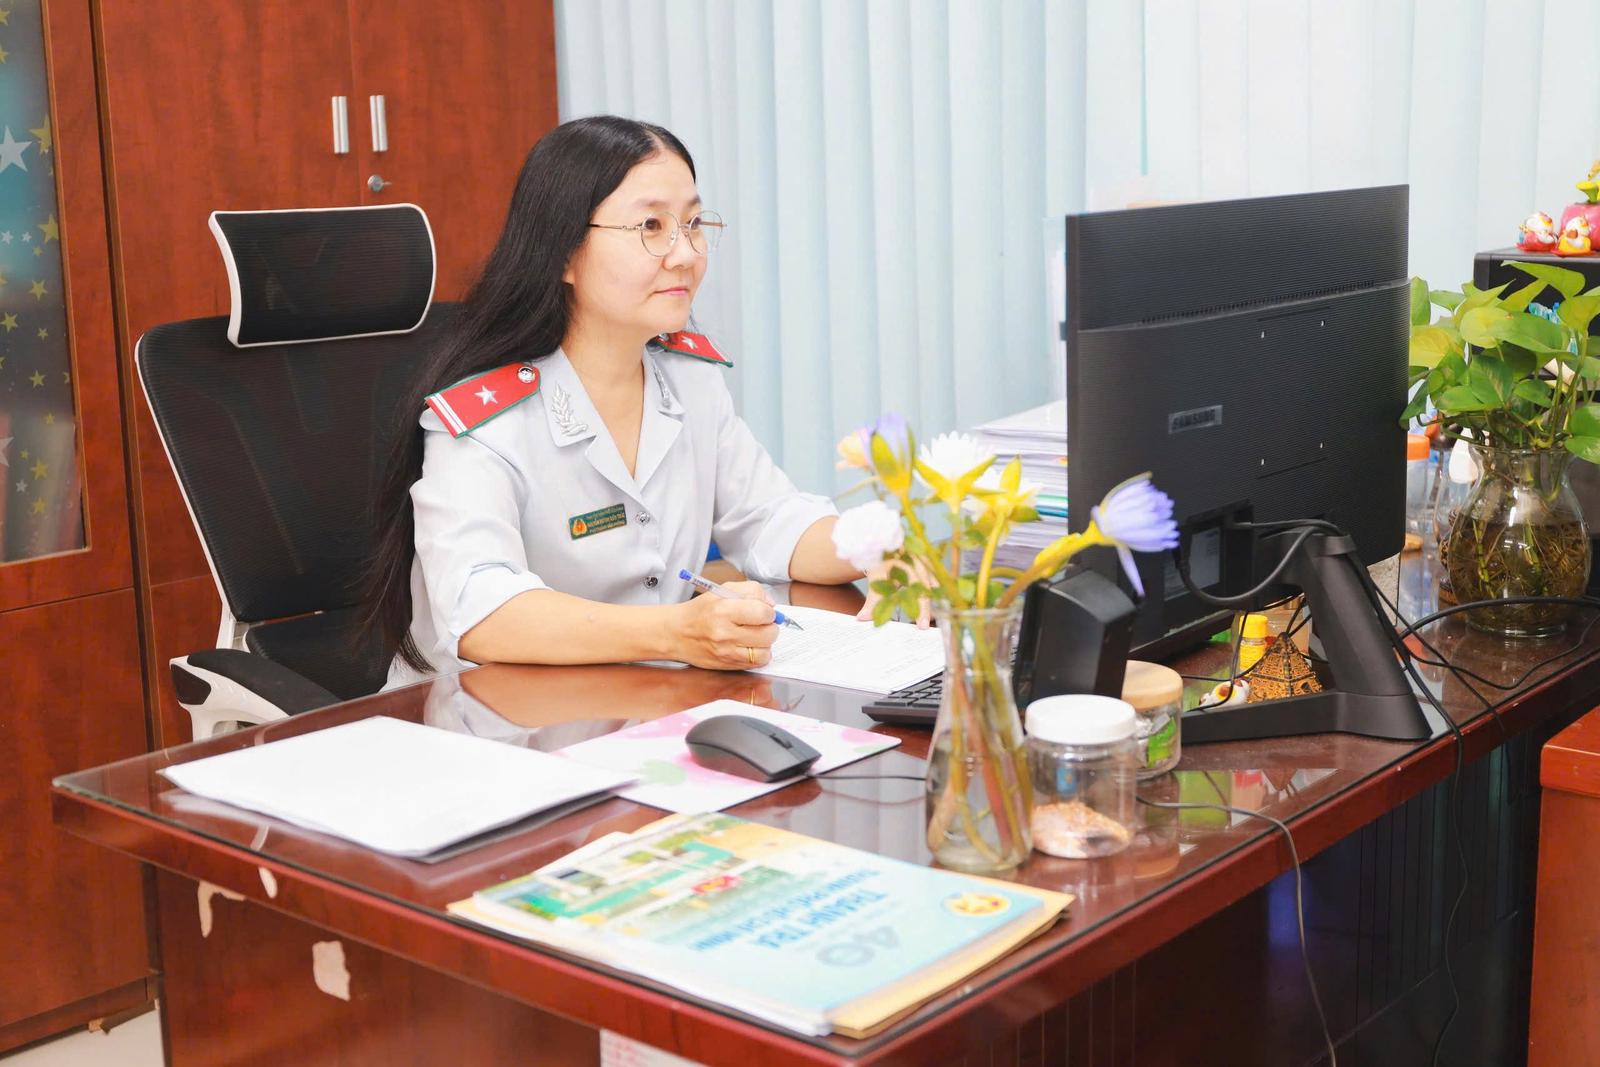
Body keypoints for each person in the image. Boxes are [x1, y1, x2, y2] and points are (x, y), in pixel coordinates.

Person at [365, 116, 862, 688]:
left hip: (641, 700)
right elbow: (481, 610)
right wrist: (676, 633)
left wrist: (885, 552)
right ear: (563, 252)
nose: (685, 253)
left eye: (693, 224)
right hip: (482, 717)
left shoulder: (690, 380)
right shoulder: (487, 420)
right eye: (652, 226)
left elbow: (769, 518)